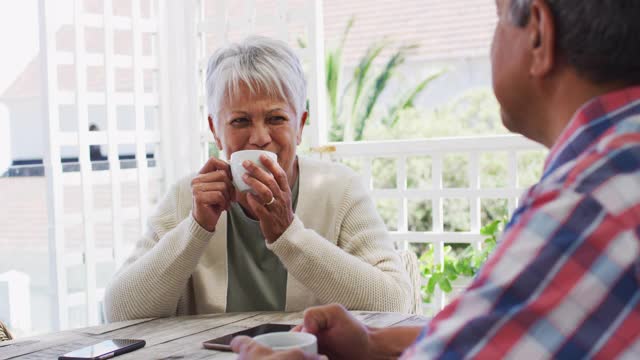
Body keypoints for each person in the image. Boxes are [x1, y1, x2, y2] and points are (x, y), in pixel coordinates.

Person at [231, 0, 640, 358]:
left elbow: (403, 304)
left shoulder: (588, 205)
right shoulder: (617, 168)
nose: (261, 135)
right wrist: (375, 344)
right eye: (239, 121)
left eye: (497, 19)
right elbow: (498, 333)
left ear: (538, 33)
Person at [103, 36, 412, 321]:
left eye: (276, 118)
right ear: (215, 130)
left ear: (301, 125)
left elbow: (394, 304)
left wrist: (289, 235)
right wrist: (197, 228)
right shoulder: (190, 197)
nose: (260, 137)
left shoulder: (339, 189)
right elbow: (119, 311)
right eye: (240, 121)